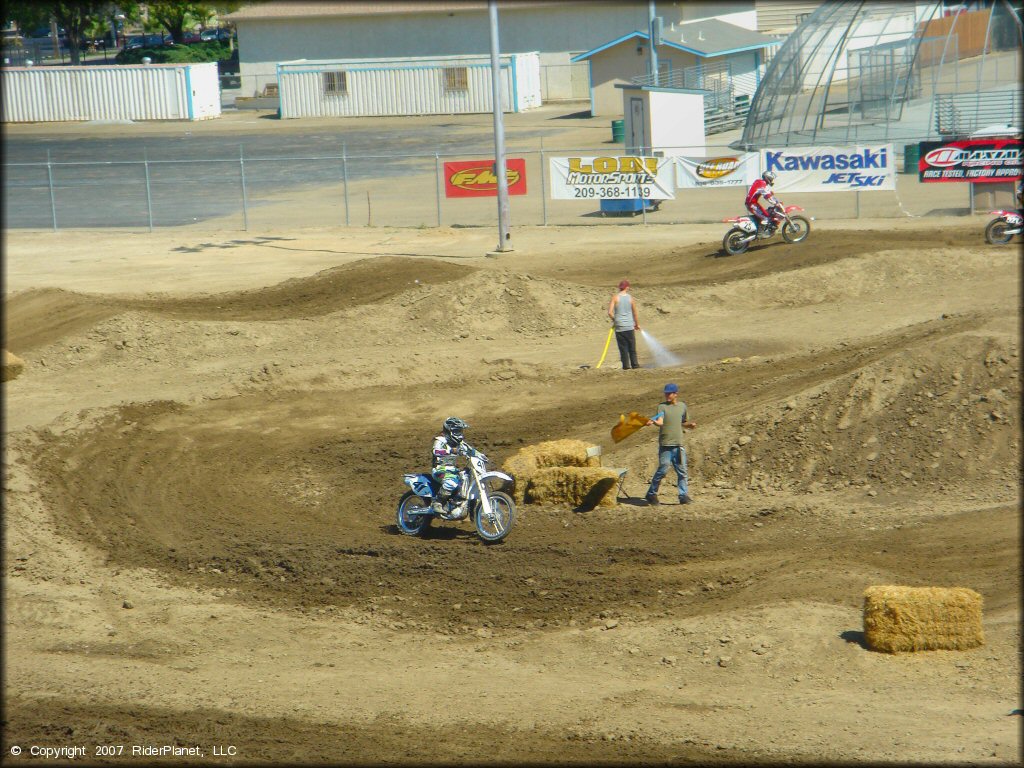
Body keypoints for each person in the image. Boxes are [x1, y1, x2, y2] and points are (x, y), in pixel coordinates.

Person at [644, 383, 696, 505]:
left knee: (682, 471)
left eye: (669, 393)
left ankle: (683, 496)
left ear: (675, 394)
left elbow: (683, 422)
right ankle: (651, 494)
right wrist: (654, 422)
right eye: (666, 393)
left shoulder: (682, 406)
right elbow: (661, 422)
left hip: (678, 444)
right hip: (666, 445)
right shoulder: (661, 407)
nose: (667, 395)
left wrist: (690, 425)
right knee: (663, 469)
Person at [430, 416, 469, 515]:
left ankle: (457, 502)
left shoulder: (458, 443)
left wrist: (480, 455)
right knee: (451, 482)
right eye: (457, 431)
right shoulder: (440, 440)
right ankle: (438, 503)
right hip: (440, 470)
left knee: (466, 477)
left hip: (452, 470)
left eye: (460, 431)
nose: (459, 434)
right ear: (449, 430)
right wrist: (451, 450)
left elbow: (470, 450)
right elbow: (436, 451)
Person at [608, 279, 640, 370]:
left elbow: (610, 312)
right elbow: (635, 313)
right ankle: (635, 365)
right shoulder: (630, 298)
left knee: (623, 348)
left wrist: (616, 320)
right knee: (632, 348)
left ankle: (626, 366)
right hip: (629, 326)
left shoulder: (615, 297)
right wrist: (637, 324)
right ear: (627, 287)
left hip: (619, 328)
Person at [745, 170, 779, 234]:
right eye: (771, 179)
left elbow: (764, 192)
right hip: (752, 204)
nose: (772, 181)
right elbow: (767, 196)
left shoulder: (759, 182)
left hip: (751, 203)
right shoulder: (762, 184)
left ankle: (760, 228)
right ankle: (760, 233)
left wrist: (770, 194)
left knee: (765, 213)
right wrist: (776, 203)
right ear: (768, 178)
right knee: (766, 217)